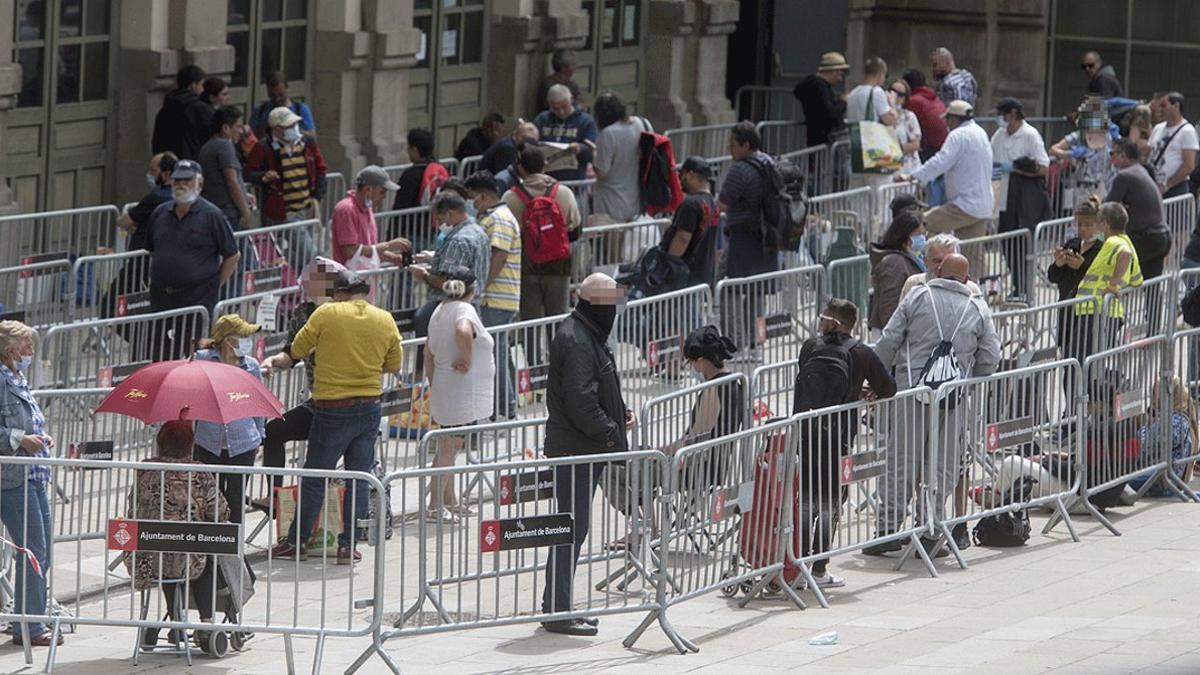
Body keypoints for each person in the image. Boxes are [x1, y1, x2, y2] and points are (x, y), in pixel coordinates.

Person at [866, 253, 1000, 556]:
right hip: (953, 398)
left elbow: (888, 342)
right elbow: (991, 356)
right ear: (966, 278)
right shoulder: (978, 307)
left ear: (939, 271)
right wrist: (969, 379)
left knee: (901, 460)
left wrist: (876, 381)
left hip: (910, 392)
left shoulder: (917, 297)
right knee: (942, 465)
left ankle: (887, 530)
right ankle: (931, 529)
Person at [270, 269, 403, 564]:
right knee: (358, 477)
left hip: (332, 407)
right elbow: (393, 364)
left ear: (338, 293)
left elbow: (298, 349)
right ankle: (347, 546)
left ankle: (298, 542)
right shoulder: (384, 318)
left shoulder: (326, 314)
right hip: (370, 405)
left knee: (316, 475)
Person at [540, 273, 630, 636]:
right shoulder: (577, 338)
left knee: (573, 528)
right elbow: (580, 401)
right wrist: (611, 432)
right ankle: (558, 610)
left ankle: (558, 605)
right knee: (569, 529)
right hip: (575, 448)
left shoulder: (585, 332)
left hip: (582, 446)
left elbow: (593, 389)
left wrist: (617, 415)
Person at [793, 300, 896, 587]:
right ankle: (819, 569)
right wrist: (863, 391)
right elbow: (889, 388)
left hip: (806, 433)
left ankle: (799, 566)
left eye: (823, 317)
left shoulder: (810, 347)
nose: (820, 323)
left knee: (806, 501)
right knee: (831, 502)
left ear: (834, 323)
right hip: (838, 438)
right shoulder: (861, 353)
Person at [125, 421, 230, 639]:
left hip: (145, 557)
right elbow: (220, 512)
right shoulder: (199, 473)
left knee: (169, 551)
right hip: (184, 557)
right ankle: (206, 623)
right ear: (191, 445)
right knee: (202, 550)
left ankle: (176, 619)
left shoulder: (145, 471)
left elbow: (132, 507)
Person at [260, 258, 346, 489]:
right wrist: (271, 361)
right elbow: (290, 354)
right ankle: (276, 495)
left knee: (322, 461)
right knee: (274, 430)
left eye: (319, 279)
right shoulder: (302, 312)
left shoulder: (346, 312)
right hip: (318, 401)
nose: (311, 284)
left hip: (347, 402)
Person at [0, 321, 60, 647]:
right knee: (34, 550)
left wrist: (38, 438)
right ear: (10, 350)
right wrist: (21, 439)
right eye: (26, 347)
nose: (31, 353)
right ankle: (31, 625)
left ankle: (28, 618)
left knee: (42, 550)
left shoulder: (17, 379)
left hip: (34, 475)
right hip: (12, 479)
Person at [145, 159, 240, 359]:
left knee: (194, 354)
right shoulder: (160, 213)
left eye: (187, 180)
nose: (181, 184)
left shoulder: (211, 215)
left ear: (200, 183)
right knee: (157, 350)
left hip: (196, 297)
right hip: (162, 296)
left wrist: (215, 284)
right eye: (177, 180)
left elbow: (232, 255)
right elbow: (152, 251)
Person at [424, 266, 495, 519]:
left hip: (448, 388)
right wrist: (467, 359)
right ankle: (435, 506)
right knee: (448, 448)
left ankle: (449, 500)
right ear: (472, 289)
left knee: (449, 447)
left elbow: (427, 352)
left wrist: (436, 382)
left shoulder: (439, 310)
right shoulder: (464, 310)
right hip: (461, 390)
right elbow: (463, 330)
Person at [191, 315, 266, 524]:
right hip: (208, 442)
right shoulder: (202, 360)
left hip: (243, 444)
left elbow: (258, 403)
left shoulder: (252, 366)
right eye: (242, 336)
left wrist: (260, 435)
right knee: (208, 502)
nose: (247, 341)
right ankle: (209, 553)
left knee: (235, 502)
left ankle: (233, 554)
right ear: (227, 340)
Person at [718, 122, 779, 351]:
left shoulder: (740, 169)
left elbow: (723, 201)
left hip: (743, 239)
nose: (729, 150)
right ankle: (757, 343)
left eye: (733, 145)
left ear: (745, 145)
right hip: (767, 239)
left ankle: (734, 344)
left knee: (728, 290)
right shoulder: (769, 162)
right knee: (757, 293)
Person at [465, 171, 521, 418]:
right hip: (499, 295)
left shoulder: (499, 219)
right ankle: (507, 405)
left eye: (471, 197)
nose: (470, 202)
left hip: (497, 296)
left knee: (493, 353)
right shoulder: (495, 216)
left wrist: (482, 287)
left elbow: (499, 254)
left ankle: (501, 408)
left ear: (483, 196)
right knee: (499, 351)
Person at [895, 100, 993, 243]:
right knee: (972, 254)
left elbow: (940, 161)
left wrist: (913, 175)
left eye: (947, 120)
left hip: (964, 205)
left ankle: (924, 262)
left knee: (920, 223)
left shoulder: (957, 135)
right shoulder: (980, 132)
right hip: (983, 205)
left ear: (953, 119)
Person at [245, 106, 329, 270]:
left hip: (307, 208)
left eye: (294, 124)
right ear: (276, 129)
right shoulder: (264, 147)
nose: (293, 128)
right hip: (284, 212)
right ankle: (327, 291)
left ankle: (301, 292)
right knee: (311, 254)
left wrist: (316, 197)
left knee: (299, 257)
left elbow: (321, 169)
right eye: (288, 126)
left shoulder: (306, 142)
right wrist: (264, 176)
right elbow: (248, 173)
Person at [504, 147, 582, 320]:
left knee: (529, 319)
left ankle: (531, 348)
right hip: (558, 265)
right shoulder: (564, 193)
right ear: (545, 165)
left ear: (520, 168)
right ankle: (557, 348)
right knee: (557, 318)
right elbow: (576, 231)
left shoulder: (510, 198)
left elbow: (506, 236)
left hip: (526, 265)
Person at [1069, 202, 1142, 373]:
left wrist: (1113, 284)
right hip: (1106, 313)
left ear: (1106, 225)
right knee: (1092, 366)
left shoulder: (1114, 242)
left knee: (1079, 366)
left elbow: (1125, 255)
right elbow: (1137, 280)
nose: (1097, 227)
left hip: (1096, 314)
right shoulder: (1127, 241)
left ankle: (1082, 400)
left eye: (1099, 222)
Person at [991, 97, 1051, 300]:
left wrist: (1017, 169)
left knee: (1023, 244)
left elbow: (1043, 168)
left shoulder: (1030, 135)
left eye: (1003, 114)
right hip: (1004, 195)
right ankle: (1018, 286)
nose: (1000, 119)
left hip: (1025, 196)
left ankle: (1024, 289)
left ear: (1013, 114)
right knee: (1007, 242)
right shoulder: (999, 136)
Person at [106, 152, 178, 321]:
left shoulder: (157, 197)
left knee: (111, 305)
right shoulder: (177, 198)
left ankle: (139, 341)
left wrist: (133, 225)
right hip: (159, 264)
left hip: (142, 264)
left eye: (153, 171)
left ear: (166, 173)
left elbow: (124, 221)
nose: (149, 175)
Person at [412, 192, 490, 338]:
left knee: (422, 320)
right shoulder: (480, 232)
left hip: (449, 308)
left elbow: (447, 283)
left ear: (449, 214)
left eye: (440, 219)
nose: (439, 224)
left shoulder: (458, 240)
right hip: (473, 307)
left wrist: (424, 275)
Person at [1048, 195, 1103, 402]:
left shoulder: (1101, 248)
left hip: (1088, 314)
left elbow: (1098, 278)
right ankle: (1069, 410)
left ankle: (1083, 408)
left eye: (1088, 225)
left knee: (1085, 364)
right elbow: (1053, 277)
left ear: (1097, 225)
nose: (1083, 229)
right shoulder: (1072, 244)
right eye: (1079, 224)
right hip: (1067, 311)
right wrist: (1059, 264)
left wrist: (1083, 268)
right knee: (1068, 365)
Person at [1107, 137, 1171, 280]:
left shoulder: (1124, 175)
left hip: (1145, 237)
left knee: (1111, 269)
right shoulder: (1141, 170)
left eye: (1112, 153)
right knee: (1151, 287)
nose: (1110, 157)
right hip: (1161, 236)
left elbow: (1108, 207)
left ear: (1123, 155)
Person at [329, 165, 411, 268]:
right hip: (348, 280)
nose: (384, 197)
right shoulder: (346, 210)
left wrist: (393, 258)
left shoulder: (367, 210)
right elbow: (350, 251)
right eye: (382, 192)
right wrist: (388, 246)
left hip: (366, 280)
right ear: (368, 190)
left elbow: (370, 250)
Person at [1130, 376, 1198, 497]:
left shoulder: (1176, 422)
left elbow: (1144, 445)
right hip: (1163, 477)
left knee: (1117, 482)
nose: (1152, 397)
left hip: (1162, 481)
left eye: (1155, 393)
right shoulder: (1175, 418)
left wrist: (1141, 426)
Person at [659, 157, 720, 288]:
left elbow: (682, 238)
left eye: (682, 175)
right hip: (703, 274)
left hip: (683, 275)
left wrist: (668, 266)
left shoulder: (690, 204)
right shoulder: (713, 204)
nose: (680, 180)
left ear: (691, 175)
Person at [592, 92, 649, 226]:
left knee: (613, 246)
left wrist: (594, 153)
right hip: (637, 200)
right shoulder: (643, 123)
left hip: (612, 203)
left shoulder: (608, 134)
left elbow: (602, 172)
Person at [869, 210, 927, 334]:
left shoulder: (914, 258)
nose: (922, 238)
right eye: (917, 234)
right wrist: (896, 335)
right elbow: (889, 306)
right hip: (892, 334)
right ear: (905, 235)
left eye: (923, 234)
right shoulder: (894, 263)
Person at [198, 106, 254, 232]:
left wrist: (245, 194)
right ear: (226, 128)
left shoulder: (207, 147)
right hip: (229, 212)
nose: (241, 131)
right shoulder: (224, 146)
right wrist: (245, 211)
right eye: (238, 127)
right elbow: (231, 181)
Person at [1050, 100, 1118, 202]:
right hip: (1083, 188)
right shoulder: (1078, 136)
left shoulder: (1110, 136)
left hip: (1104, 187)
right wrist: (1069, 155)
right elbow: (1053, 149)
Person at [534, 84, 598, 182]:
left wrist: (579, 148)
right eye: (555, 108)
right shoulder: (542, 119)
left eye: (564, 106)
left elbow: (592, 149)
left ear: (571, 100)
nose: (561, 112)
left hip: (574, 178)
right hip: (546, 178)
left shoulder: (586, 121)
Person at [152, 65, 212, 160]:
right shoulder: (199, 108)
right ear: (193, 85)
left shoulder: (168, 106)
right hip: (190, 162)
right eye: (201, 85)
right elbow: (212, 134)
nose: (203, 89)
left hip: (168, 161)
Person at [900, 232, 982, 299]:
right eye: (937, 261)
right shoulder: (913, 284)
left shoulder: (971, 290)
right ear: (925, 261)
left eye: (948, 260)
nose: (942, 267)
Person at [792, 52, 850, 147]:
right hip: (827, 136)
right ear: (832, 71)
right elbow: (831, 113)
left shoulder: (812, 85)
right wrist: (843, 102)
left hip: (815, 136)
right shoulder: (821, 87)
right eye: (840, 74)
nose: (840, 79)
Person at [1147, 92, 1198, 198]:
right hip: (1153, 185)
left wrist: (1167, 185)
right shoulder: (1157, 128)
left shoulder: (1187, 131)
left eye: (1164, 105)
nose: (1160, 109)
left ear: (1176, 106)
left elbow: (1189, 165)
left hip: (1175, 189)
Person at [391, 128, 450, 218]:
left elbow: (401, 207)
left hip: (414, 227)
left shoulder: (410, 175)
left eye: (408, 147)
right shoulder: (441, 169)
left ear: (414, 149)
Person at [249, 71, 316, 139]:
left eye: (281, 95)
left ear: (286, 88)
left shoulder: (300, 109)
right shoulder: (260, 111)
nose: (277, 99)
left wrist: (293, 130)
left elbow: (313, 138)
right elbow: (250, 138)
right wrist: (265, 126)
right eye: (272, 95)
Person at [902, 69, 948, 161]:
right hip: (943, 145)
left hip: (929, 149)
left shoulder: (914, 101)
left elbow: (900, 120)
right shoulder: (933, 97)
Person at [846, 57, 897, 126]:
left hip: (855, 135)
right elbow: (890, 121)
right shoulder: (877, 92)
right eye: (885, 75)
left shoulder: (853, 93)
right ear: (880, 74)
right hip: (869, 135)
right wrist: (892, 104)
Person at [534, 49, 585, 116]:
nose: (575, 67)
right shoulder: (547, 85)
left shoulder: (572, 85)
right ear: (563, 67)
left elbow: (583, 106)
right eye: (573, 64)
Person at [890, 79, 923, 174]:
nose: (895, 96)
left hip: (908, 168)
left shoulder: (909, 117)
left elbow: (915, 144)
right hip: (889, 169)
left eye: (900, 94)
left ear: (905, 99)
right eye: (892, 91)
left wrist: (893, 151)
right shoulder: (883, 116)